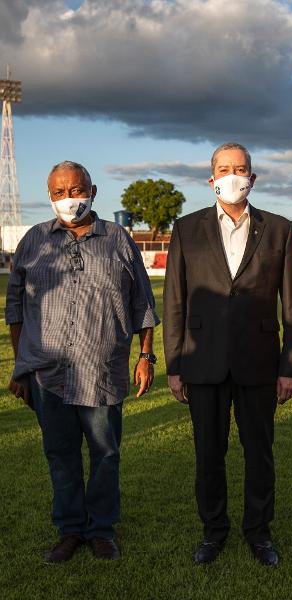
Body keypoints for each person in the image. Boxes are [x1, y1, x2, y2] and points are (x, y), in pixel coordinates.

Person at [6, 161, 159, 562]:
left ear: (92, 191)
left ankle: (102, 529)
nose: (68, 200)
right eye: (59, 193)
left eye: (75, 191)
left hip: (101, 371)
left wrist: (145, 356)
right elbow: (15, 307)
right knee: (60, 456)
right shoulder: (33, 241)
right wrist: (21, 367)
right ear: (50, 195)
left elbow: (142, 302)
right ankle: (70, 530)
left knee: (105, 454)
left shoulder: (118, 238)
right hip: (47, 374)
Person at [163, 142, 292, 567]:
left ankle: (259, 533)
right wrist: (174, 366)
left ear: (253, 178)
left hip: (260, 361)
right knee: (208, 453)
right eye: (224, 168)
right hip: (201, 360)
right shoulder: (186, 229)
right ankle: (213, 531)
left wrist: (291, 366)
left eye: (240, 168)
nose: (232, 175)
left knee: (259, 452)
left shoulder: (279, 228)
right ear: (211, 179)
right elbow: (174, 301)